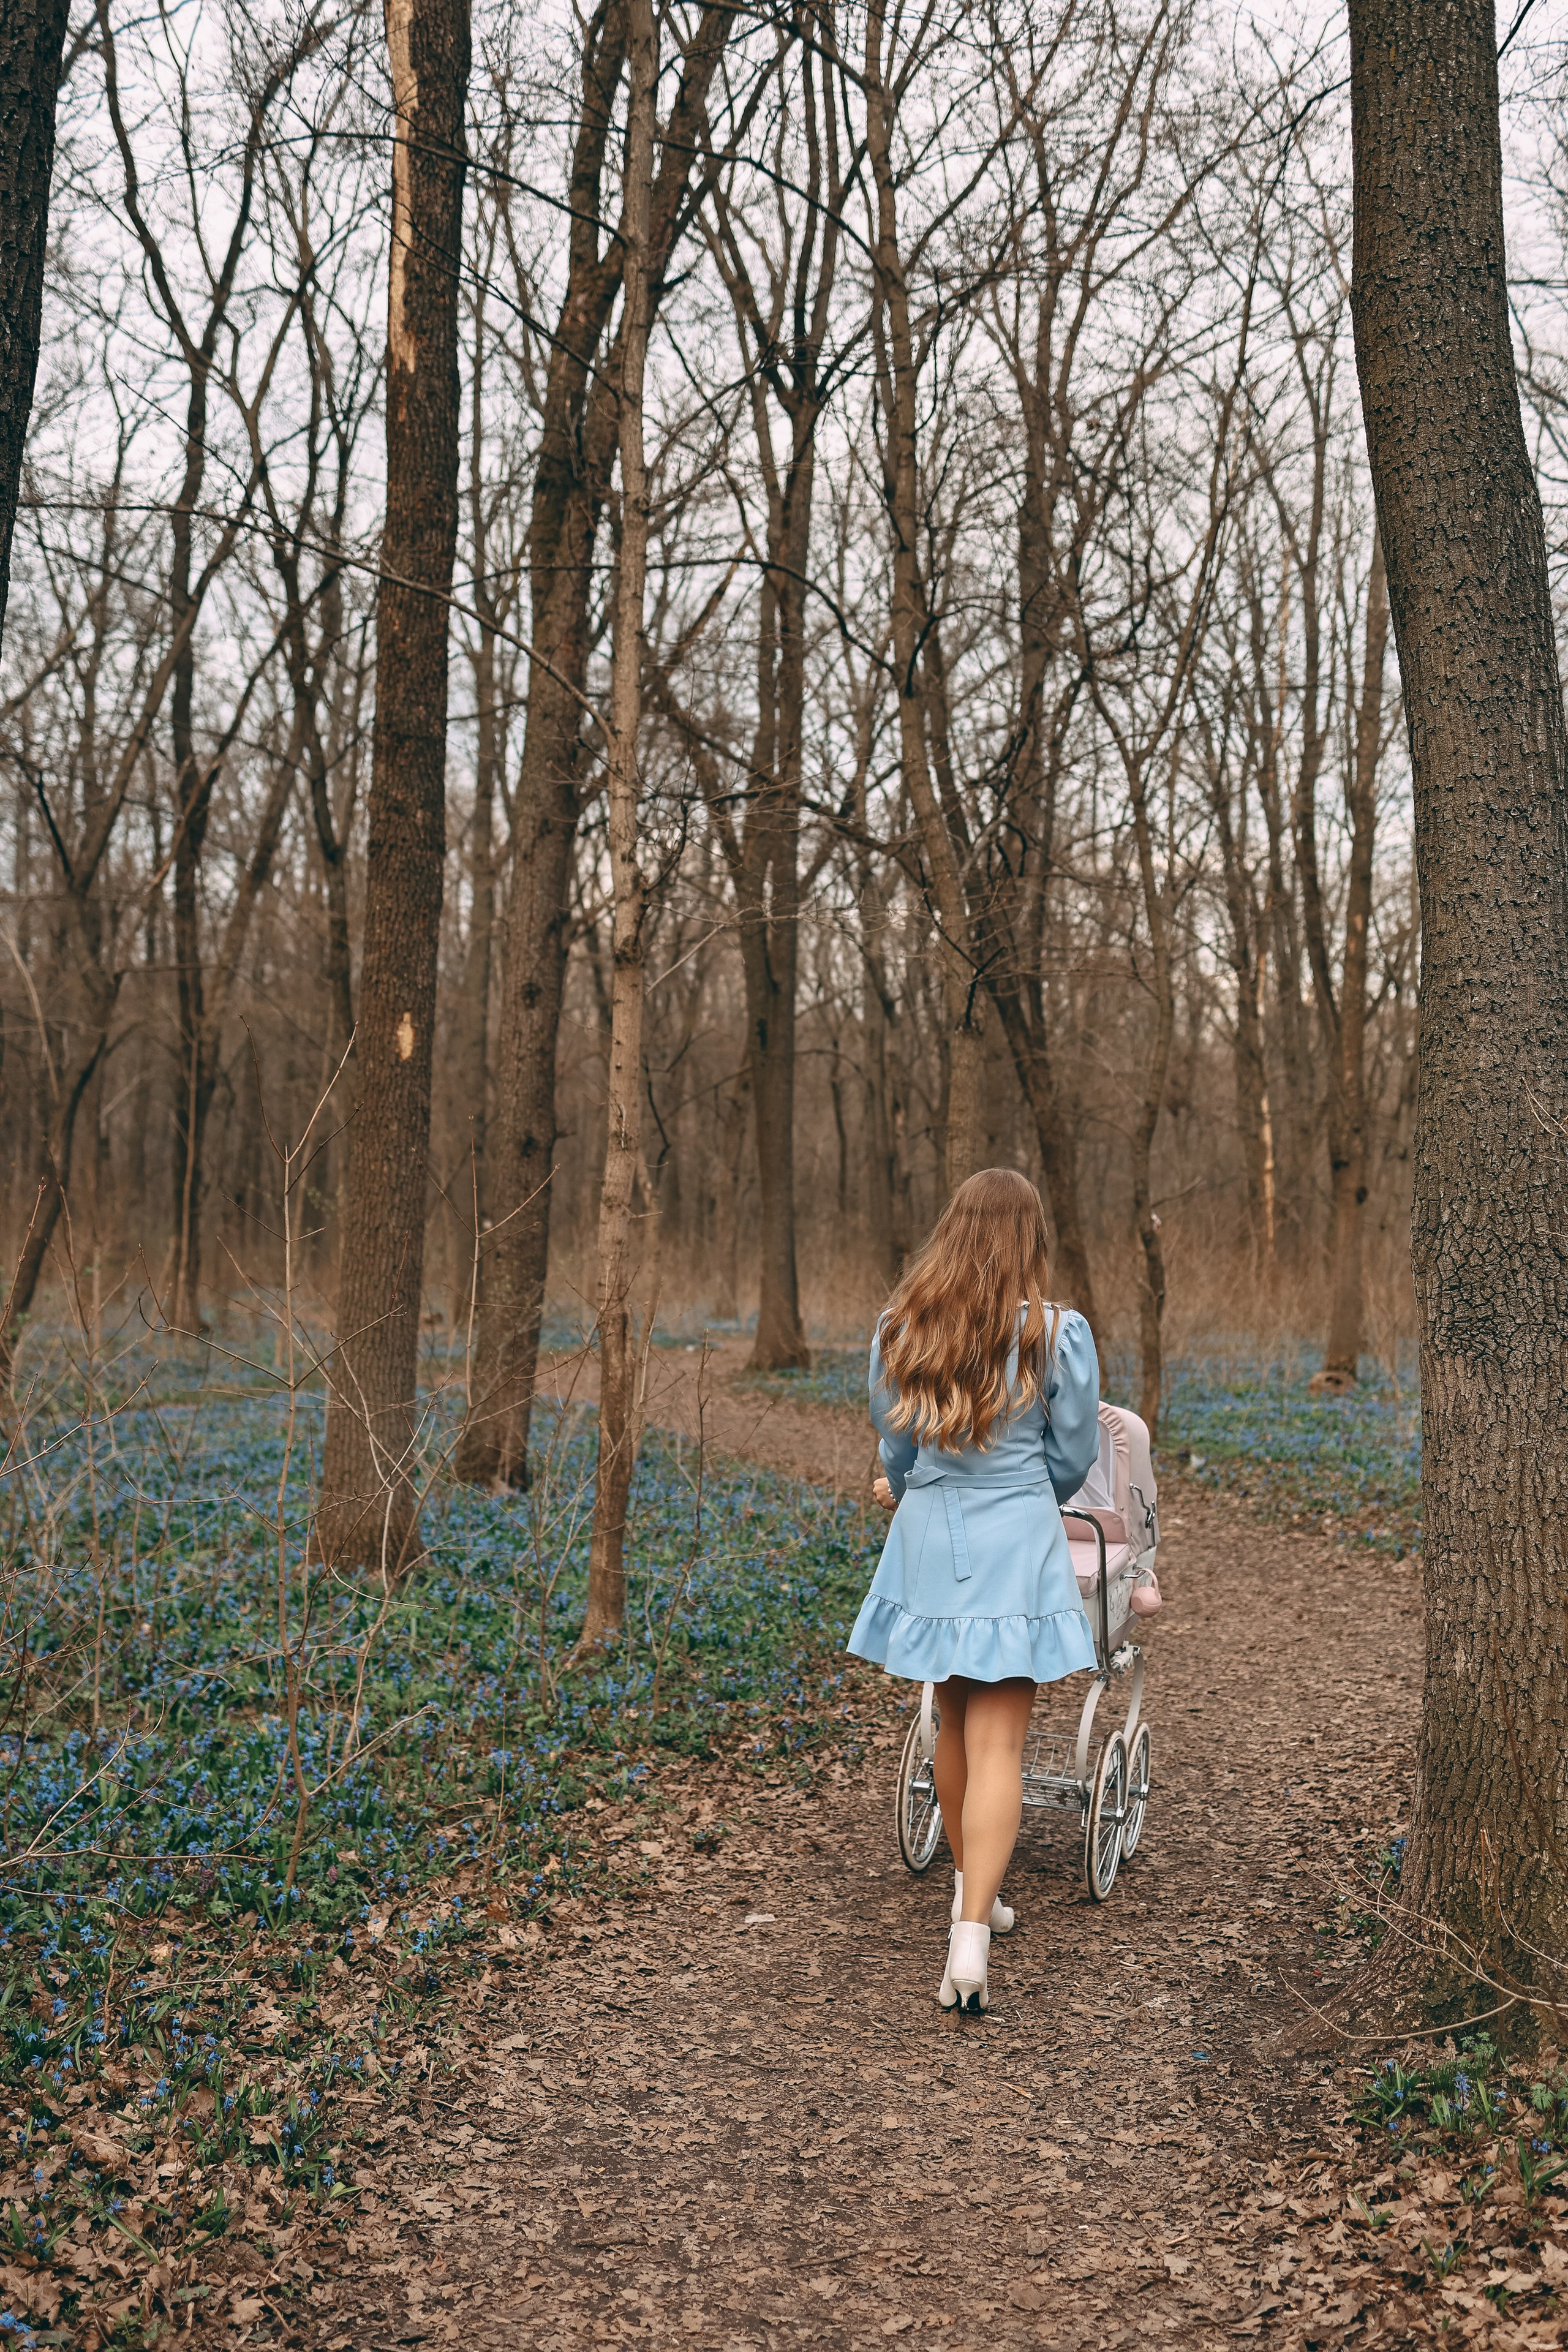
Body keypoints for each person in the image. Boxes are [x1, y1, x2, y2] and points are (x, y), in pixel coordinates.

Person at [847, 1168, 1101, 2013]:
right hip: (1016, 1539)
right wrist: (1030, 1488)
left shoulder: (901, 1325)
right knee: (1000, 1743)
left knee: (952, 1720)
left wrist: (904, 1482)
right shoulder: (1056, 1334)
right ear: (1029, 1239)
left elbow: (896, 1446)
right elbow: (1072, 1458)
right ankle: (970, 1935)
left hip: (932, 1535)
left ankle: (975, 1895)